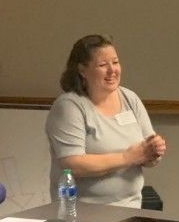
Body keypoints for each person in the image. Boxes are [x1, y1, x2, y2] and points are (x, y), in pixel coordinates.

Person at [45, 34, 166, 207]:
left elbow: (146, 152)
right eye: (103, 65)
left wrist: (153, 152)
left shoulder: (129, 98)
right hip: (83, 215)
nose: (112, 70)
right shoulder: (69, 106)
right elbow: (73, 164)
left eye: (115, 62)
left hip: (131, 211)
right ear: (82, 70)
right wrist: (127, 158)